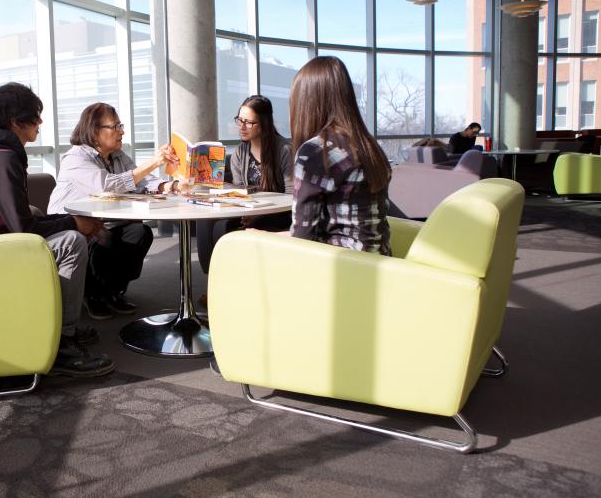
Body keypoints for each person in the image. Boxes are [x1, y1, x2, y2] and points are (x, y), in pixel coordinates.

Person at [0, 82, 114, 377]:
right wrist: (73, 223)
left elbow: (21, 221)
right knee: (71, 241)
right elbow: (23, 228)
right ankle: (62, 344)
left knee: (62, 229)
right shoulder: (3, 158)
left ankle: (57, 329)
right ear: (15, 121)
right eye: (35, 116)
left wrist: (72, 221)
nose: (40, 122)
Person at [47, 102, 181, 320]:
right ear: (95, 131)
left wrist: (172, 186)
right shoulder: (75, 158)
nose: (122, 132)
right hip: (71, 226)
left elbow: (143, 181)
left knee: (140, 233)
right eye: (115, 126)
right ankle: (92, 294)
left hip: (106, 223)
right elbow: (106, 186)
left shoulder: (118, 156)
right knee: (104, 240)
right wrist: (154, 162)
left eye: (121, 126)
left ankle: (112, 291)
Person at [289, 56, 392, 255]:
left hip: (340, 271)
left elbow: (302, 238)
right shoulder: (369, 146)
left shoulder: (316, 152)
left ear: (305, 103)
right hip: (379, 265)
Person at [196, 95, 293, 274]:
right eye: (240, 120)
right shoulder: (240, 152)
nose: (242, 126)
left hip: (278, 213)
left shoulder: (284, 150)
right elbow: (240, 192)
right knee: (207, 223)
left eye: (249, 122)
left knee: (223, 228)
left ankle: (229, 283)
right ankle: (214, 282)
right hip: (250, 210)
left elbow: (291, 196)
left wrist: (255, 214)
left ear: (263, 123)